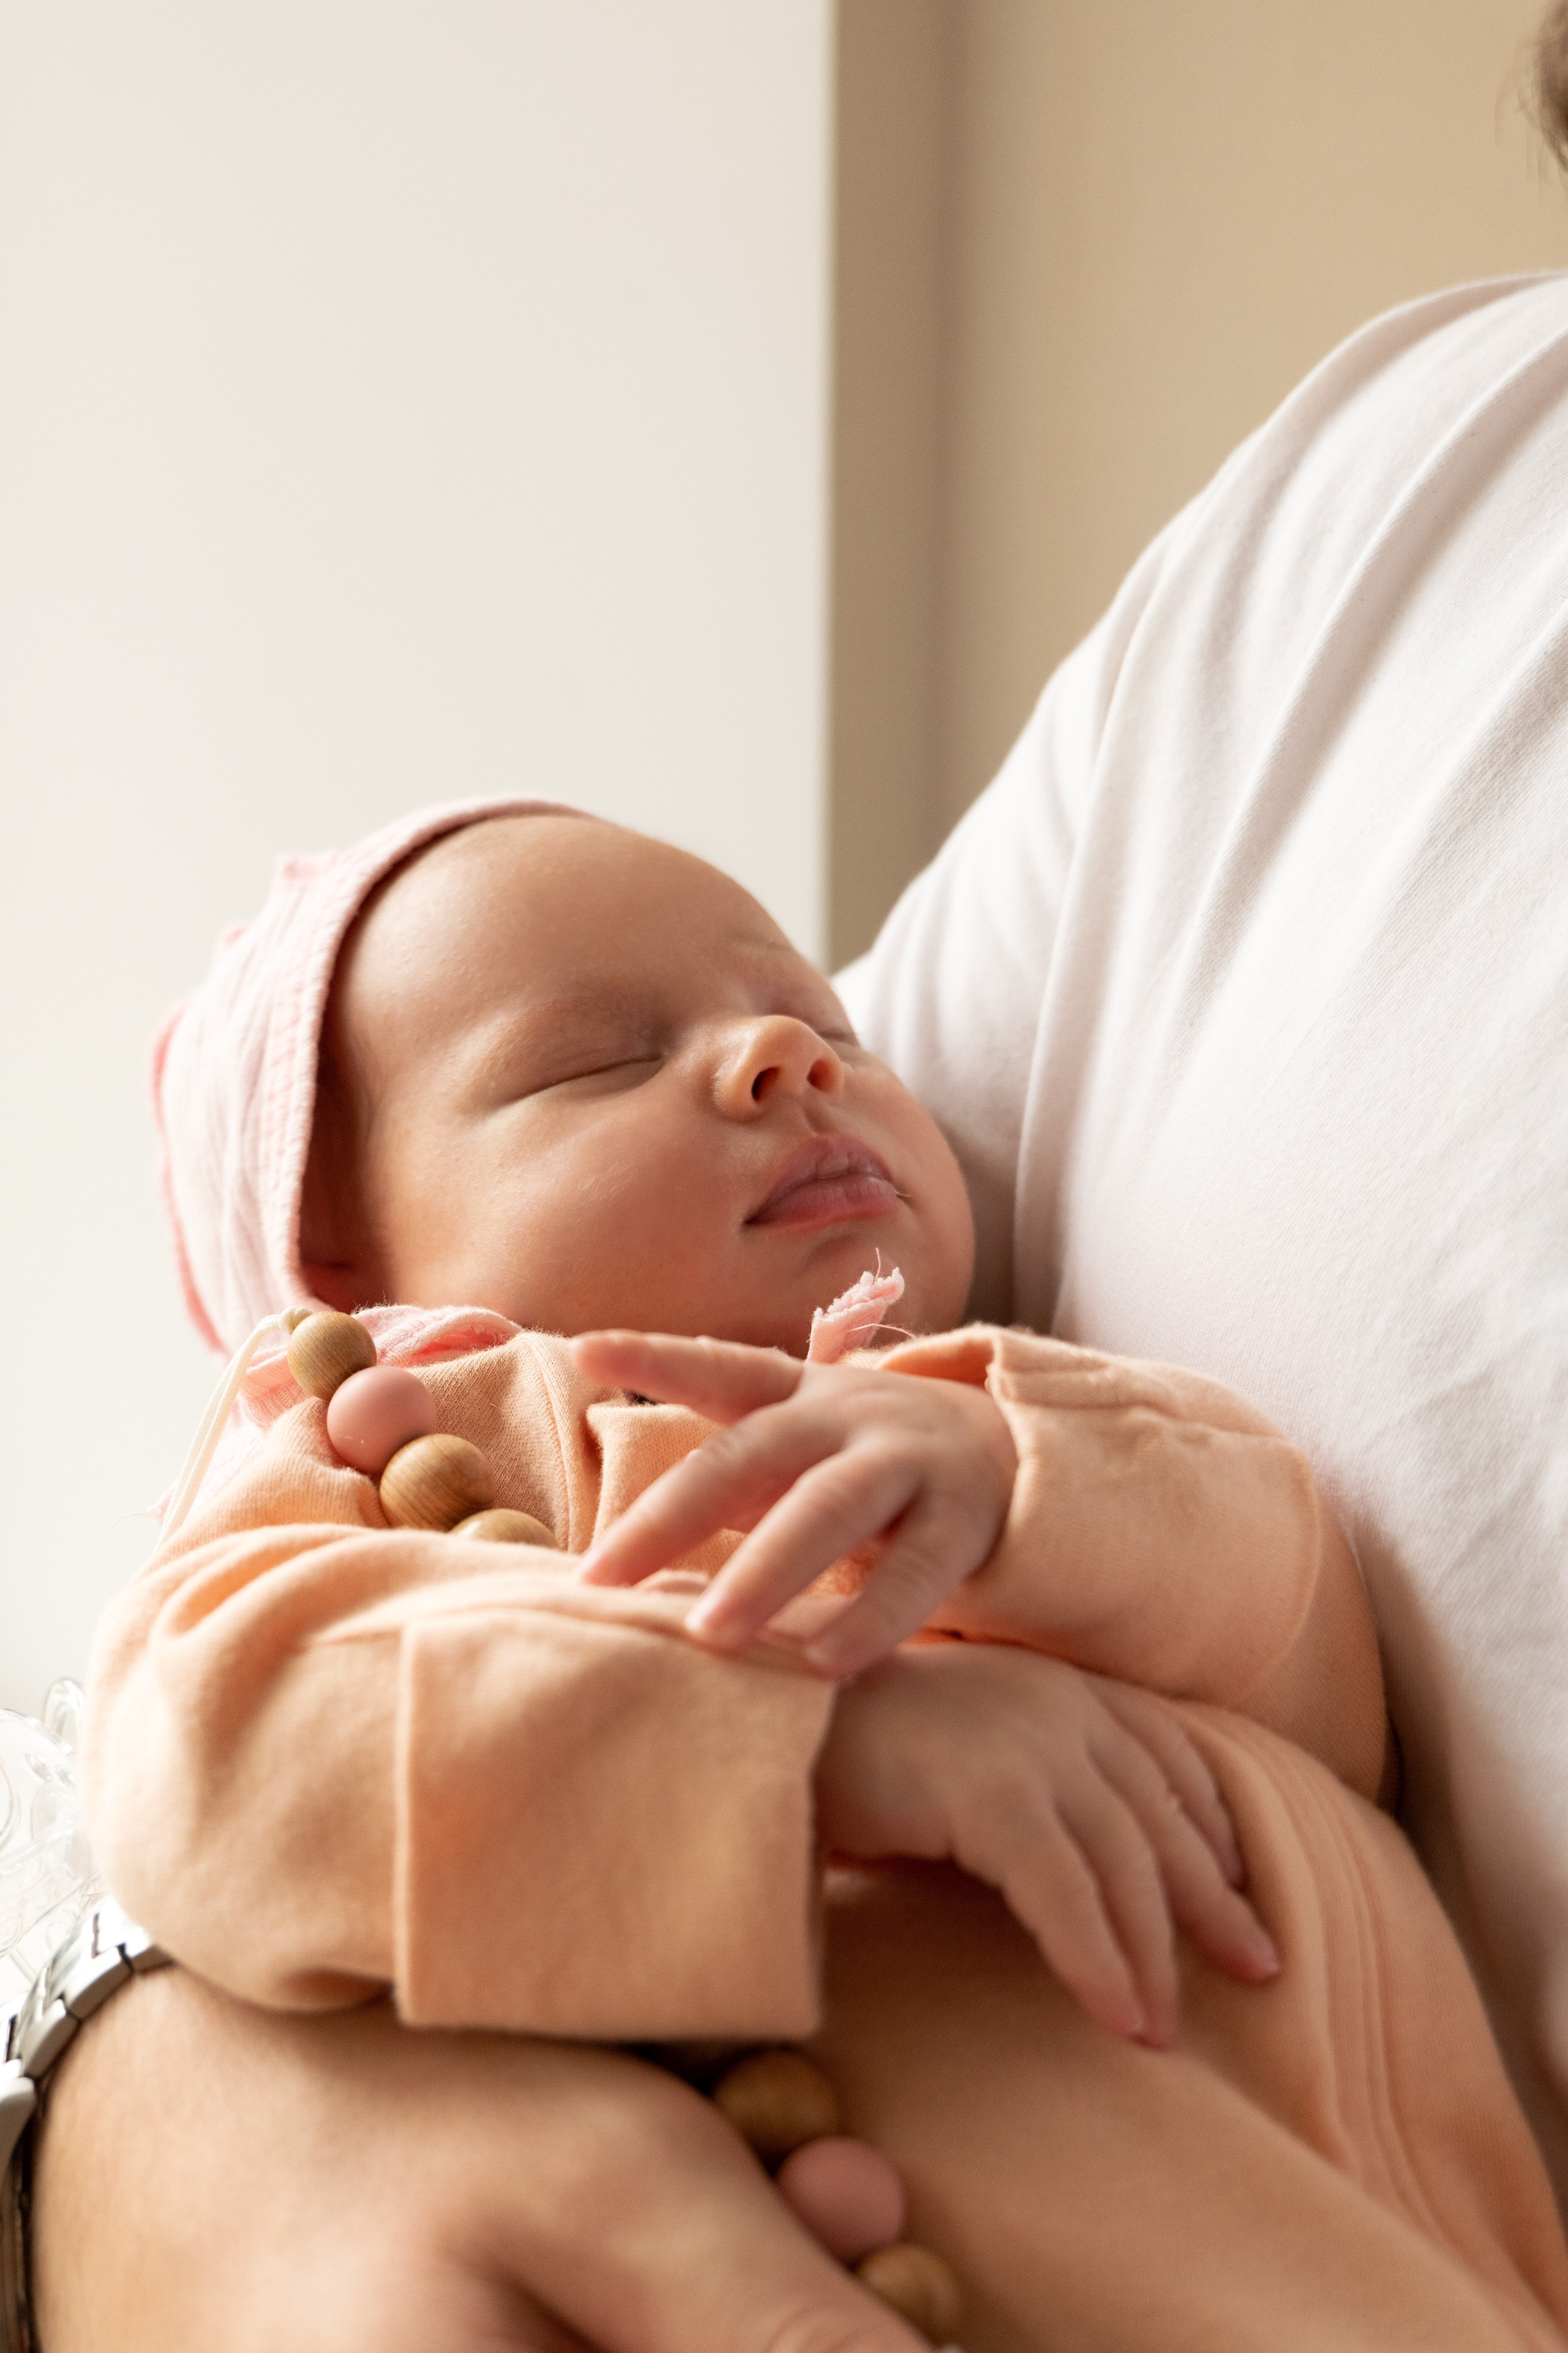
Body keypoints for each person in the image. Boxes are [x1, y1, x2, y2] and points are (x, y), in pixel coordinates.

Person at [66, 806, 1568, 2350]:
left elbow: (1327, 1684)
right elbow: (209, 1738)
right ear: (343, 1267)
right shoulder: (416, 1450)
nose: (782, 1054)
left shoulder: (1036, 1413)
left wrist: (1013, 1481)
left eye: (826, 1022)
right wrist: (802, 1740)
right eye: (597, 1059)